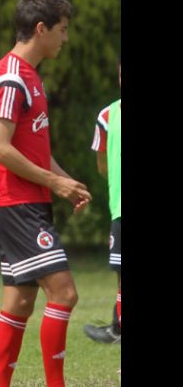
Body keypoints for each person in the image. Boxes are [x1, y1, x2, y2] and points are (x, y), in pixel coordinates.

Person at [0, 0, 93, 387]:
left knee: (18, 305)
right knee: (64, 293)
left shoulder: (29, 76)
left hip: (28, 201)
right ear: (41, 29)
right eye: (62, 30)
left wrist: (63, 181)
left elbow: (33, 147)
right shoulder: (11, 78)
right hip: (18, 204)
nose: (66, 38)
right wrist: (54, 184)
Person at [83, 56, 121, 344]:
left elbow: (103, 165)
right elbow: (102, 164)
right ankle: (117, 326)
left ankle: (117, 329)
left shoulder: (108, 115)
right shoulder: (107, 116)